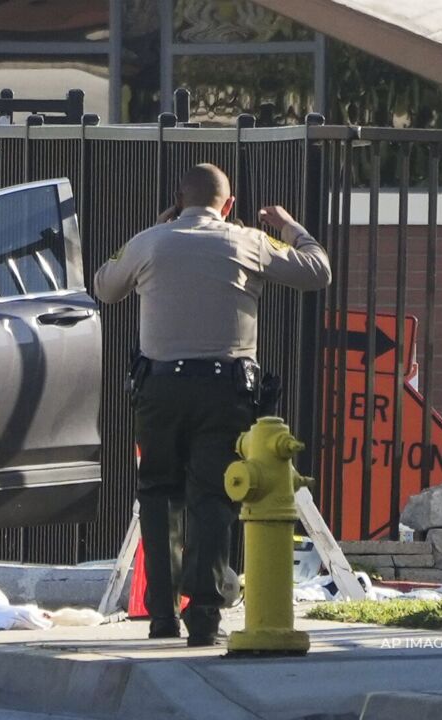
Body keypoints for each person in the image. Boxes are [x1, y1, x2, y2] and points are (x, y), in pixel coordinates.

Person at [92, 163, 332, 647]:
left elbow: (104, 286)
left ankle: (160, 612)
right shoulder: (246, 241)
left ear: (179, 202)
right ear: (229, 204)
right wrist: (287, 226)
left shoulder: (149, 241)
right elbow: (317, 271)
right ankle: (202, 614)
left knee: (158, 495)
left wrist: (160, 230)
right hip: (224, 391)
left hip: (159, 391)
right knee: (212, 497)